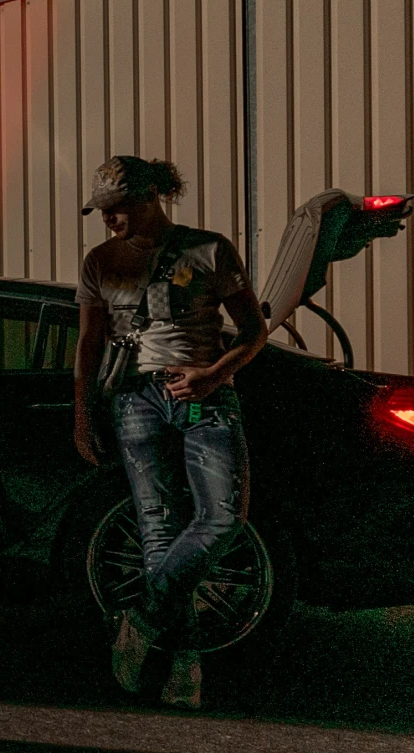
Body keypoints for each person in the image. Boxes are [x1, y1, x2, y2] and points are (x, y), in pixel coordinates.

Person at [71, 156, 269, 711]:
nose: (110, 221)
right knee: (159, 530)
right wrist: (82, 414)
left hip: (206, 396)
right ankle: (183, 667)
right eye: (103, 212)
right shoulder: (100, 262)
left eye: (117, 209)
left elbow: (254, 330)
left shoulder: (208, 249)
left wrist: (214, 374)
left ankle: (139, 618)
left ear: (150, 197)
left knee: (224, 518)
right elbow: (88, 343)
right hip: (135, 399)